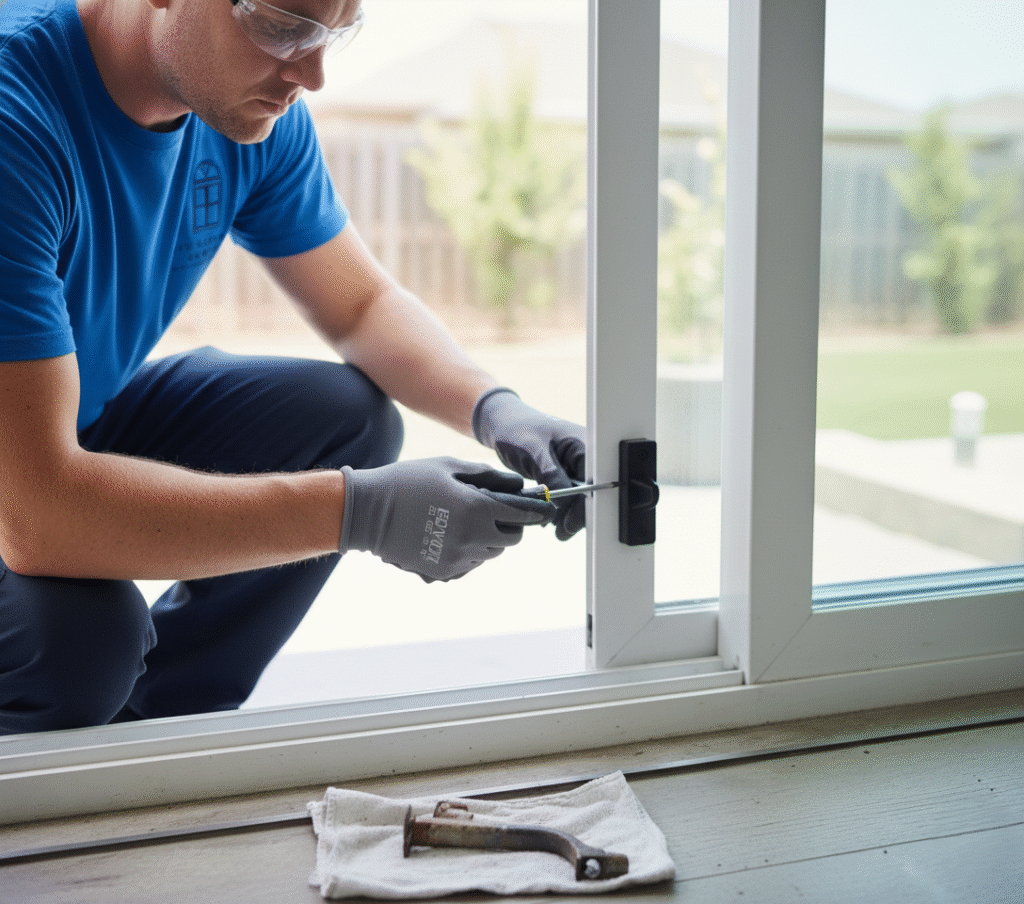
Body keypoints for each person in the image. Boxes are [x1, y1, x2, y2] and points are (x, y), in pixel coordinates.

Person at [0, 0, 586, 734]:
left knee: (342, 419)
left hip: (52, 421)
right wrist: (359, 511)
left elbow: (361, 306)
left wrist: (499, 409)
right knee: (77, 643)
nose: (311, 72)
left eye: (336, 32)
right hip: (22, 478)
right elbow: (35, 516)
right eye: (283, 26)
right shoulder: (14, 117)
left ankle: (151, 735)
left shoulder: (237, 112)